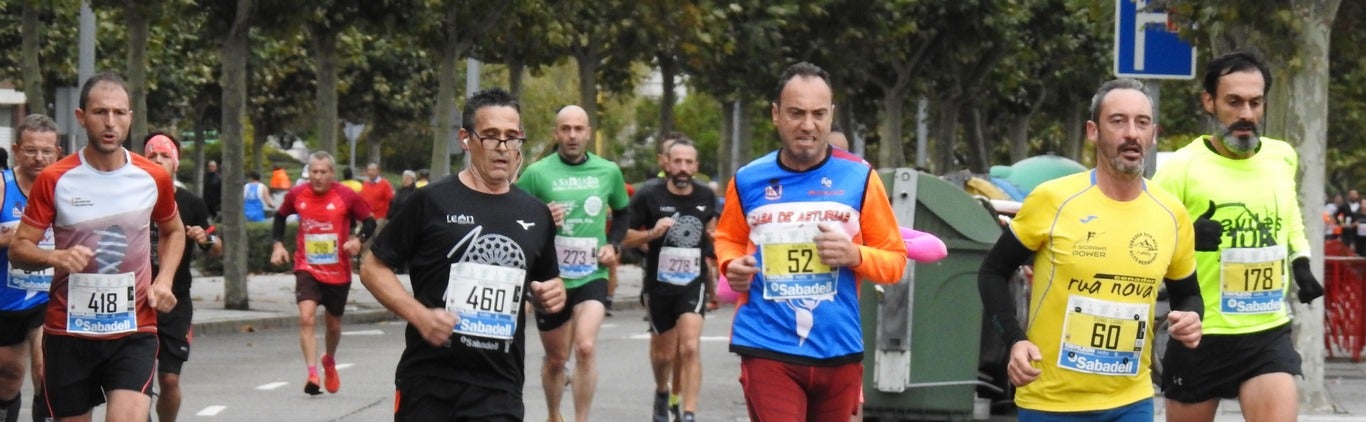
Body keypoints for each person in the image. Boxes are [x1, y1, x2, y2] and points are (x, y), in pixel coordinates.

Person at [976, 78, 1204, 420]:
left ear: (1153, 134)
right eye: (1118, 121)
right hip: (1051, 400)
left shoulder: (1172, 214)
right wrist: (1014, 340)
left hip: (1131, 400)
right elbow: (993, 272)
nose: (1131, 133)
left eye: (1141, 123)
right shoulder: (1053, 199)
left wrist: (1192, 317)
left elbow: (1189, 294)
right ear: (1093, 131)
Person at [713, 62, 907, 420]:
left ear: (831, 115)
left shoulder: (861, 178)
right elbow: (728, 237)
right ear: (776, 114)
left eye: (819, 114)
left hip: (838, 347)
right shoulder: (748, 180)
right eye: (796, 113)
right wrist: (730, 265)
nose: (808, 125)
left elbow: (895, 262)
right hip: (767, 345)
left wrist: (854, 255)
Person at [359, 87, 567, 421]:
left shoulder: (536, 214)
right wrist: (421, 316)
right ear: (465, 139)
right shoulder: (432, 202)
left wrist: (552, 293)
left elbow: (546, 282)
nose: (502, 147)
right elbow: (373, 266)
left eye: (512, 137)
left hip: (499, 384)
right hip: (430, 379)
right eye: (490, 136)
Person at [1152, 50, 1325, 422]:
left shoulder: (1282, 157)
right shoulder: (1180, 168)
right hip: (1199, 332)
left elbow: (1289, 214)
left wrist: (1302, 261)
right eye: (1234, 102)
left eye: (1255, 102)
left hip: (1266, 331)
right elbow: (1148, 241)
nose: (1246, 114)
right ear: (1209, 102)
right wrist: (1190, 236)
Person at [9, 72, 184, 421]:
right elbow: (19, 248)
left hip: (133, 329)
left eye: (119, 113)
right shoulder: (55, 178)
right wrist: (54, 256)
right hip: (68, 331)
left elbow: (173, 231)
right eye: (100, 112)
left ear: (130, 118)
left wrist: (164, 280)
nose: (110, 122)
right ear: (81, 117)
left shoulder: (153, 177)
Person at [516, 104, 630, 422]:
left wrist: (614, 244)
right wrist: (541, 217)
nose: (572, 135)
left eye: (578, 129)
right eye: (565, 129)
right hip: (552, 280)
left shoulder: (608, 171)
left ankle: (582, 418)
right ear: (556, 134)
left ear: (589, 134)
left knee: (586, 346)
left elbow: (623, 212)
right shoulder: (537, 173)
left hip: (591, 274)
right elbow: (513, 215)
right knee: (555, 360)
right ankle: (554, 414)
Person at [623, 137, 717, 422]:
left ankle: (688, 412)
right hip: (658, 285)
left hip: (692, 283)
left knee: (689, 345)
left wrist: (715, 241)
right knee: (664, 355)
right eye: (677, 161)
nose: (683, 168)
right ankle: (662, 391)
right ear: (666, 164)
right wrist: (651, 233)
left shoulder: (706, 197)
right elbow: (624, 237)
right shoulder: (649, 194)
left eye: (689, 162)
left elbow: (714, 234)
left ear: (696, 166)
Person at [269, 151, 375, 396]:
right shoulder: (298, 194)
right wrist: (277, 244)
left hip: (338, 270)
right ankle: (312, 373)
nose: (317, 177)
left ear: (332, 174)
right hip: (307, 266)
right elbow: (280, 216)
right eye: (313, 172)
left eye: (323, 172)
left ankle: (329, 360)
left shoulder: (346, 195)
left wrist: (358, 241)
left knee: (334, 325)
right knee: (306, 317)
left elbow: (369, 221)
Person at [141, 132, 223, 422]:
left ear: (176, 163)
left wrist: (204, 239)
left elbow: (216, 247)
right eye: (153, 155)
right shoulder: (132, 197)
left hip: (175, 302)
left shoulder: (191, 203)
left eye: (165, 156)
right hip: (137, 301)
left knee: (169, 381)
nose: (159, 160)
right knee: (138, 380)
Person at [0, 114, 62, 422]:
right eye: (31, 150)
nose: (39, 158)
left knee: (45, 372)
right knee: (9, 377)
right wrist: (18, 238)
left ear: (57, 152)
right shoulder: (3, 184)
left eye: (46, 151)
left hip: (45, 297)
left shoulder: (63, 188)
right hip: (6, 299)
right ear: (15, 149)